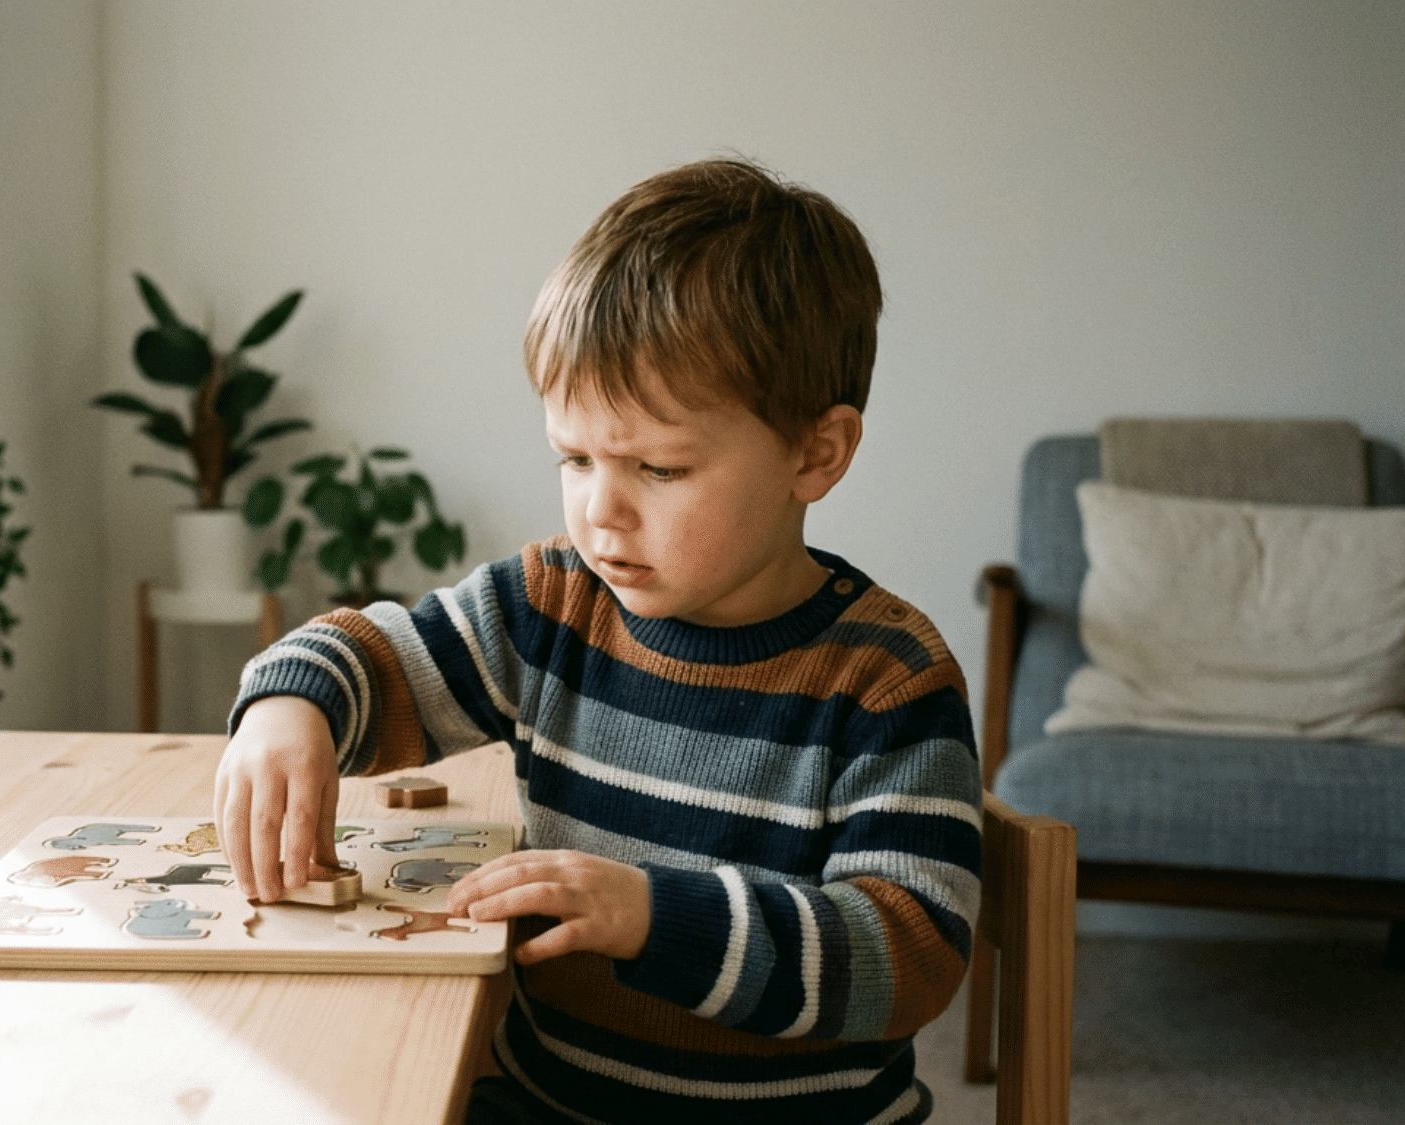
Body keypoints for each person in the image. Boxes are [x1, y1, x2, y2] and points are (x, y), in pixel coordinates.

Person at [214, 157, 980, 1125]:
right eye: (571, 457)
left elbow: (905, 957)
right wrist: (289, 706)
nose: (599, 512)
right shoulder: (553, 603)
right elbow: (378, 656)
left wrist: (653, 918)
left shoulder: (887, 680)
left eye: (656, 468)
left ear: (813, 453)